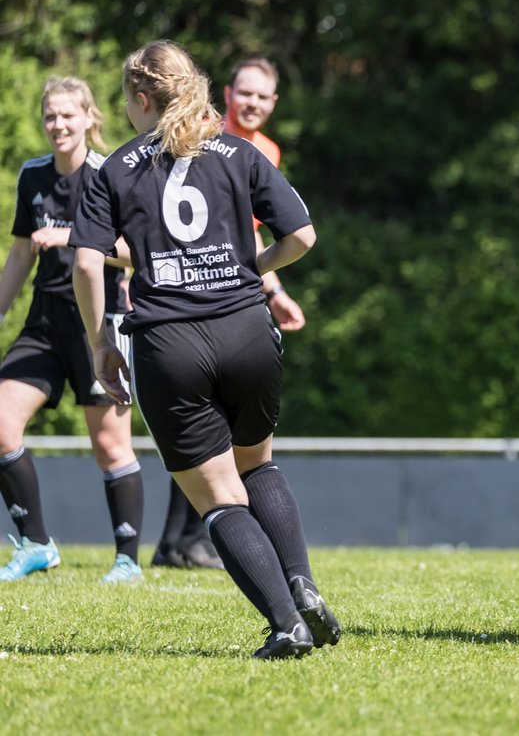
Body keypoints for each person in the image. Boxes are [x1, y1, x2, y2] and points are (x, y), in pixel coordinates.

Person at [70, 40, 339, 659]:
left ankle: (285, 624)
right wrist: (252, 267)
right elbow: (302, 235)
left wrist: (99, 344)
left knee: (217, 498)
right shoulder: (238, 150)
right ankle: (301, 583)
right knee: (258, 464)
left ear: (140, 99)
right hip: (247, 330)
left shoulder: (113, 167)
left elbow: (86, 261)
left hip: (170, 342)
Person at [152, 55, 303, 571]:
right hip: (185, 294)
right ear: (228, 94)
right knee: (208, 430)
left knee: (209, 427)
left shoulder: (267, 150)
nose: (253, 103)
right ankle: (182, 542)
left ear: (274, 103)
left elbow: (250, 231)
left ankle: (179, 543)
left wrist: (272, 288)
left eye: (263, 96)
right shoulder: (204, 134)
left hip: (229, 289)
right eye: (246, 93)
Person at [0, 77, 144, 584]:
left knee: (109, 444)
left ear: (89, 117)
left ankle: (127, 560)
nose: (58, 125)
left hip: (99, 321)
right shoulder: (32, 175)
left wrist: (71, 236)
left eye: (67, 115)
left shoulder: (111, 173)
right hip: (43, 321)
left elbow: (133, 248)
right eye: (50, 116)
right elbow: (21, 254)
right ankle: (36, 545)